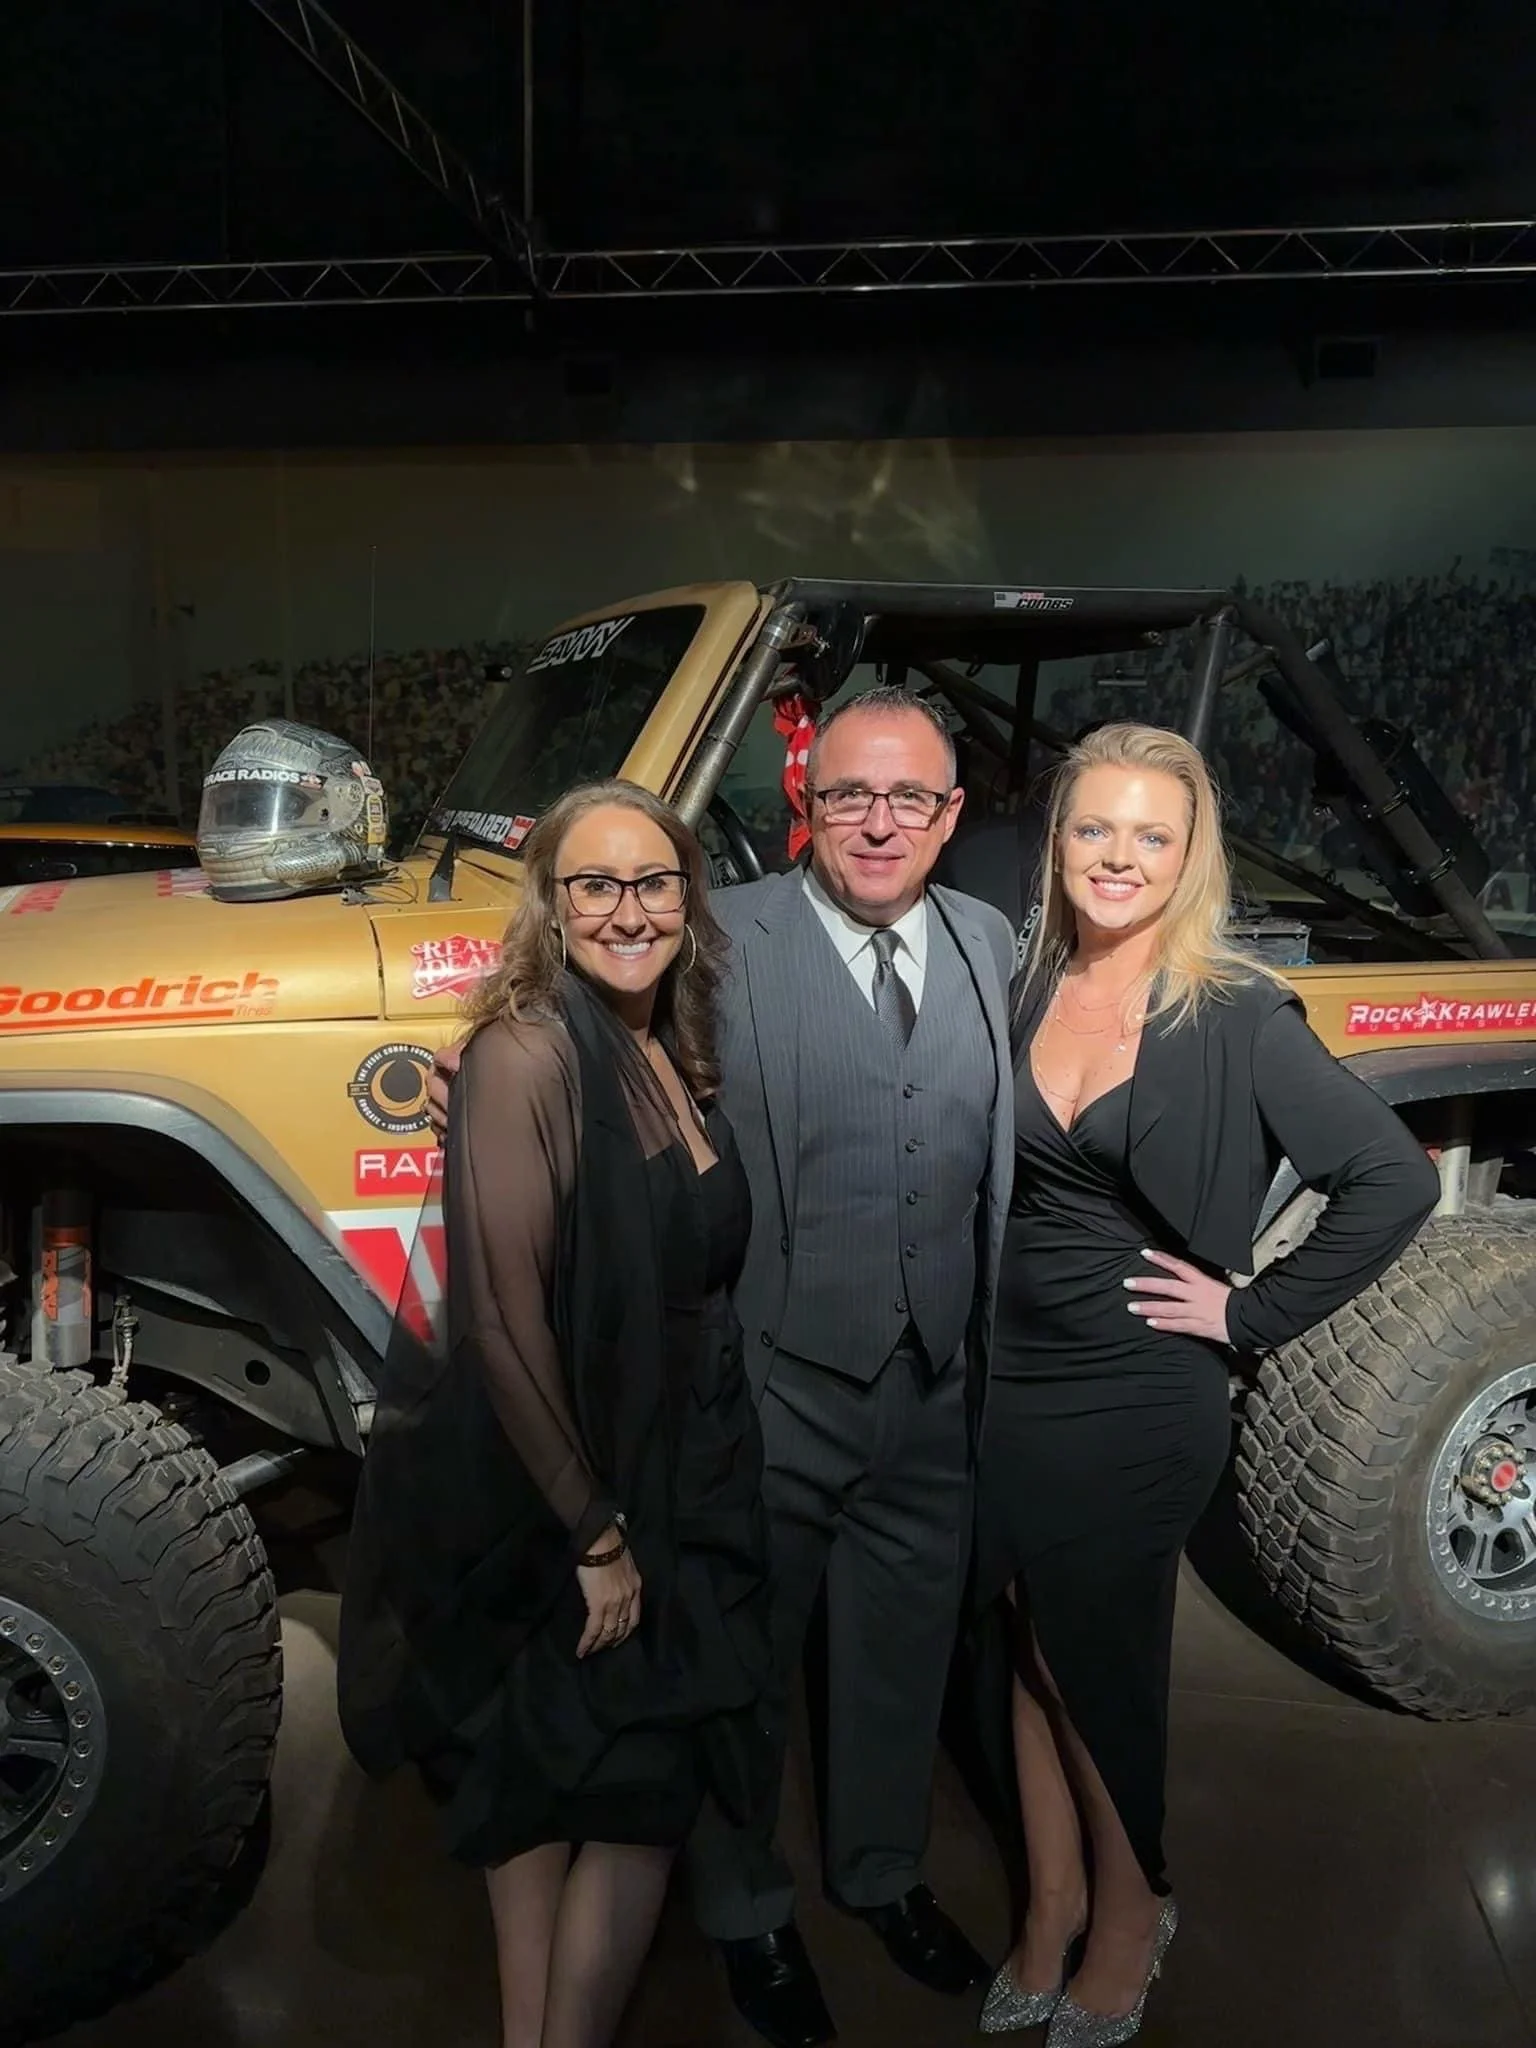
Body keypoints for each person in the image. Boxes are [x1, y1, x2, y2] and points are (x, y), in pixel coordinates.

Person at [429, 687, 1016, 2048]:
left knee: (899, 1659)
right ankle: (747, 1911)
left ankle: (880, 1875)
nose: (880, 821)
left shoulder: (990, 942)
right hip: (770, 1389)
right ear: (807, 802)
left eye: (910, 798)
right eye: (851, 794)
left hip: (933, 1392)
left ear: (949, 815)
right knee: (738, 1684)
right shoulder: (717, 943)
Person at [974, 723, 1439, 2045]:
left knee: (1091, 1661)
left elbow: (1391, 1180)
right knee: (1026, 1639)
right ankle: (1051, 1905)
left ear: (1191, 860)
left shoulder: (1233, 1013)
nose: (1117, 857)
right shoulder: (1018, 989)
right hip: (1006, 1380)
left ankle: (1134, 1909)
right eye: (1093, 829)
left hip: (1136, 1388)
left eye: (1150, 836)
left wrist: (1251, 1311)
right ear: (1058, 842)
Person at [338, 781, 774, 2048]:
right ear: (551, 903)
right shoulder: (528, 1050)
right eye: (595, 883)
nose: (628, 909)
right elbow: (498, 1318)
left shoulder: (662, 1043)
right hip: (568, 1479)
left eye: (655, 881)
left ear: (690, 900)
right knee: (611, 1789)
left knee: (578, 1782)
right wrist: (594, 1531)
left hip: (681, 1454)